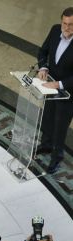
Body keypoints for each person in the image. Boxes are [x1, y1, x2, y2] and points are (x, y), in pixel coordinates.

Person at [37, 7, 73, 174]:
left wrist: (59, 84)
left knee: (60, 126)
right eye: (64, 23)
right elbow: (43, 51)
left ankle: (56, 157)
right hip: (50, 87)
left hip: (68, 94)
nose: (66, 28)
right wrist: (43, 67)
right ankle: (45, 145)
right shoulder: (54, 30)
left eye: (71, 25)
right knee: (48, 118)